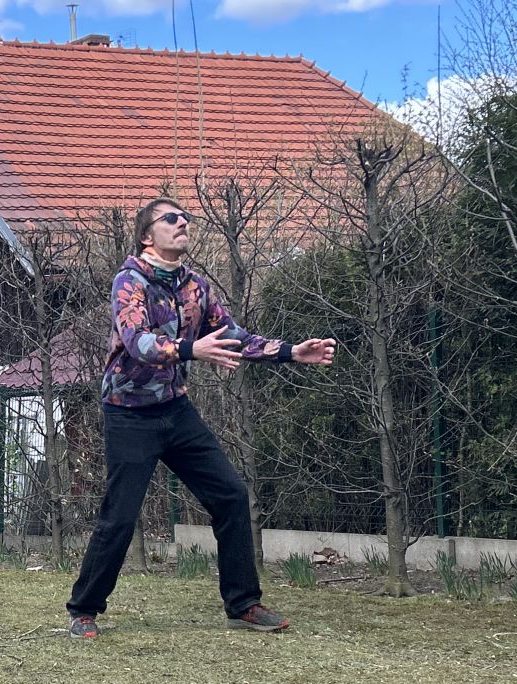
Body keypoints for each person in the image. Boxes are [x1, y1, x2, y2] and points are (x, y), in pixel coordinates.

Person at [66, 197, 336, 639]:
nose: (183, 223)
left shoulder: (195, 286)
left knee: (230, 495)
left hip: (176, 410)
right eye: (171, 218)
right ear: (147, 235)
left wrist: (291, 352)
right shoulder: (129, 281)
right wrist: (192, 349)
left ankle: (243, 604)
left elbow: (233, 336)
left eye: (186, 218)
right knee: (120, 515)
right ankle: (83, 610)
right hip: (128, 414)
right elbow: (137, 343)